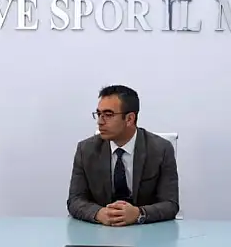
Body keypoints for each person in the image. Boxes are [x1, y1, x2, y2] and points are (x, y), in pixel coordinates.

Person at [67, 85, 179, 226]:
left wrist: (139, 213)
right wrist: (99, 213)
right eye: (99, 114)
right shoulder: (86, 150)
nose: (100, 121)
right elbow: (75, 200)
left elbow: (170, 204)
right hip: (101, 231)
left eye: (108, 115)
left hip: (146, 231)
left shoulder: (161, 149)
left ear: (129, 119)